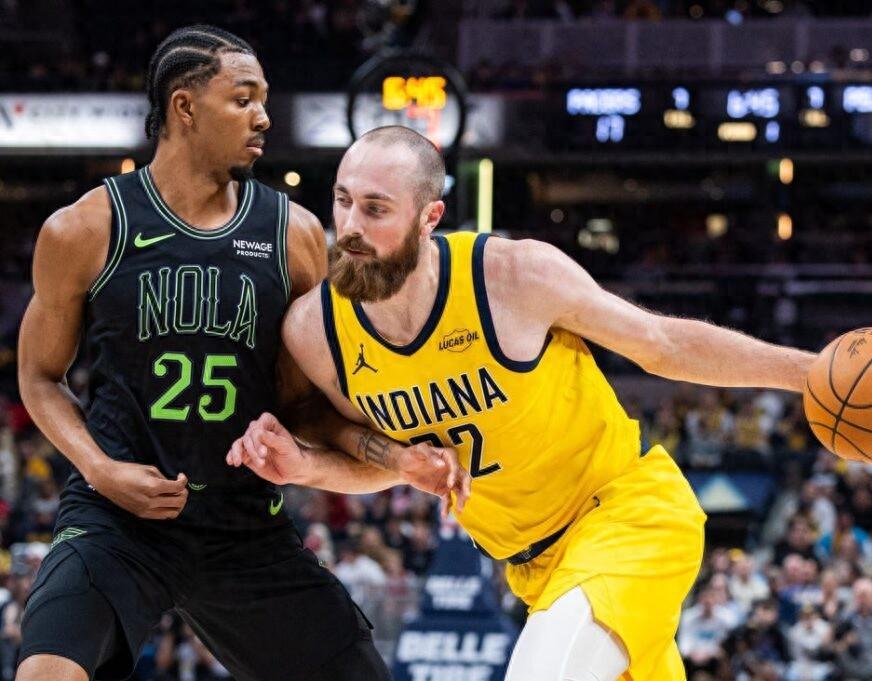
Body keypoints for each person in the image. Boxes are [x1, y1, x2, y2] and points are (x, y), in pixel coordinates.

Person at [230, 125, 818, 680]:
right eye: (342, 201)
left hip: (626, 517)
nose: (351, 226)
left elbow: (662, 343)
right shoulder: (316, 333)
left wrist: (810, 372)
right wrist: (309, 467)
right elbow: (387, 463)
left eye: (376, 209)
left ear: (429, 218)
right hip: (535, 572)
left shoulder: (511, 278)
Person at [15, 26, 464, 681]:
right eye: (244, 98)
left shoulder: (294, 235)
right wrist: (99, 468)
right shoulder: (85, 228)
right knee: (46, 671)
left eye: (264, 100)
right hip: (118, 519)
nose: (263, 117)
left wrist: (394, 456)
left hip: (243, 525)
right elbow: (39, 376)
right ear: (184, 107)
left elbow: (306, 406)